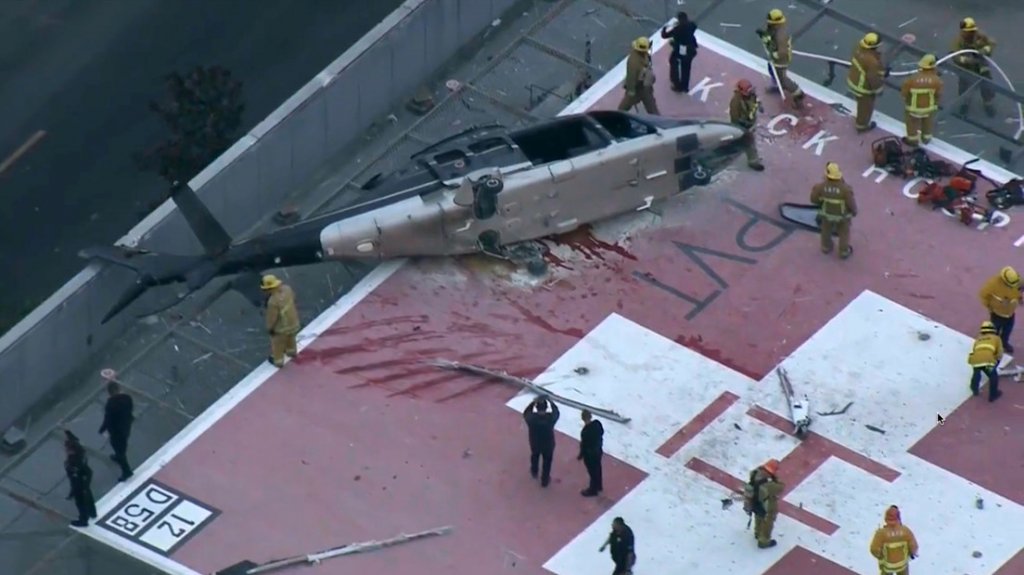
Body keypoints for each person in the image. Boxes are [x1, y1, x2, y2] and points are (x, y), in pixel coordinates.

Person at [809, 162, 858, 259]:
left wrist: (821, 202)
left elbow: (813, 199)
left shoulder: (820, 187)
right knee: (844, 233)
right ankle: (843, 251)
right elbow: (851, 204)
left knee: (826, 230)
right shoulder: (846, 189)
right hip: (842, 217)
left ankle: (826, 247)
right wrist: (854, 212)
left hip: (827, 214)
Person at [759, 9, 805, 109]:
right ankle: (777, 85)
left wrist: (773, 55)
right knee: (772, 71)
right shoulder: (773, 30)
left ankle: (798, 94)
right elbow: (770, 40)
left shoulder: (781, 35)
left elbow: (782, 53)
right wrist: (763, 36)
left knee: (783, 79)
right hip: (774, 60)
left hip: (780, 61)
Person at [952, 17, 997, 118]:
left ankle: (988, 104)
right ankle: (965, 103)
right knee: (964, 87)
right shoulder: (958, 41)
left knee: (986, 85)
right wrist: (967, 60)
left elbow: (992, 42)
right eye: (968, 31)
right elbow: (955, 56)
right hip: (966, 68)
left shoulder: (980, 35)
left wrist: (985, 49)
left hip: (981, 66)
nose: (970, 33)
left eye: (971, 31)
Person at [846, 32, 886, 132]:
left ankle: (861, 123)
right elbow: (873, 78)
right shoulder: (871, 61)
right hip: (863, 88)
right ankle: (862, 126)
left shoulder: (858, 49)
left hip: (853, 80)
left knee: (861, 104)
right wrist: (879, 90)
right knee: (865, 107)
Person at [900, 54, 943, 147]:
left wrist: (907, 100)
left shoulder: (911, 79)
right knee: (927, 123)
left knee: (912, 124)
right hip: (929, 108)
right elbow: (938, 95)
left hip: (913, 108)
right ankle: (926, 139)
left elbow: (904, 93)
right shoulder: (937, 81)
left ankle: (912, 140)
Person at [978, 266, 1021, 353]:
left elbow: (1020, 288)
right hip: (997, 314)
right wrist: (990, 308)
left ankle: (1004, 343)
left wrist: (1019, 299)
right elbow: (983, 295)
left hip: (1010, 313)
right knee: (994, 332)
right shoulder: (993, 284)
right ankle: (993, 346)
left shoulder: (1015, 280)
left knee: (1007, 330)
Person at [743, 458, 783, 549]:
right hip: (767, 504)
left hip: (755, 502)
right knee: (767, 522)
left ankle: (757, 533)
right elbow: (781, 487)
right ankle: (764, 541)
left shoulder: (754, 473)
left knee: (758, 516)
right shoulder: (769, 484)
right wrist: (776, 477)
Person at [262, 274, 301, 367]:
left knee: (277, 345)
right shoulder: (288, 289)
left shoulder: (272, 301)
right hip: (294, 323)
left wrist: (269, 328)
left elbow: (272, 318)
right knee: (291, 339)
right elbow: (294, 298)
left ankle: (278, 361)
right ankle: (292, 351)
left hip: (281, 329)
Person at [98, 381, 135, 481]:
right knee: (122, 446)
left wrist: (102, 429)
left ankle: (126, 471)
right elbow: (130, 410)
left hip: (116, 431)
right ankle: (119, 457)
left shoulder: (110, 404)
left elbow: (108, 419)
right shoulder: (127, 398)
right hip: (126, 427)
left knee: (119, 449)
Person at [869, 505, 918, 575]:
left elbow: (874, 549)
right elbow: (914, 546)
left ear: (886, 518)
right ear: (898, 517)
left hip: (887, 566)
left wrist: (880, 557)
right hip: (902, 564)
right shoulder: (906, 531)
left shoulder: (881, 533)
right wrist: (912, 554)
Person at [522, 395, 560, 487]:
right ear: (546, 408)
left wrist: (533, 402)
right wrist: (551, 401)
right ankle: (545, 480)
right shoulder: (550, 418)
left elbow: (526, 413)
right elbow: (556, 413)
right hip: (548, 445)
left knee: (535, 456)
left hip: (535, 443)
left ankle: (534, 471)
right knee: (547, 462)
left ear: (537, 408)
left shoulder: (532, 419)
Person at [729, 79, 765, 172]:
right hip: (743, 125)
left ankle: (732, 145)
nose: (750, 92)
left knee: (740, 140)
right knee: (750, 144)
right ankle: (753, 162)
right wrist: (742, 127)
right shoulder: (736, 102)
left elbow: (756, 101)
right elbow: (734, 117)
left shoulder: (752, 95)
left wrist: (760, 106)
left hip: (750, 123)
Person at [617, 37, 660, 114]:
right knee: (624, 107)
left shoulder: (643, 55)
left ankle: (618, 116)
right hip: (638, 88)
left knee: (651, 106)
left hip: (644, 86)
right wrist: (631, 91)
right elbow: (631, 77)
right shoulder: (633, 62)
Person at [64, 431, 97, 528]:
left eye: (67, 449)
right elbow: (75, 439)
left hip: (80, 482)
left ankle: (83, 520)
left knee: (81, 502)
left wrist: (73, 492)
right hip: (85, 478)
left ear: (72, 450)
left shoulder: (73, 462)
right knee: (89, 495)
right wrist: (67, 432)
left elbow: (75, 480)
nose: (65, 450)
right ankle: (92, 512)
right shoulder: (81, 451)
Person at [660, 11, 698, 93]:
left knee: (673, 62)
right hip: (691, 49)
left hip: (681, 50)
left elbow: (664, 35)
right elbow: (694, 26)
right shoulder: (691, 25)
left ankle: (677, 84)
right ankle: (685, 86)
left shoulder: (677, 29)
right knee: (686, 68)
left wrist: (664, 28)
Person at [968, 321, 1003, 402]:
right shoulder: (996, 338)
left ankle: (974, 389)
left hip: (975, 359)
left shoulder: (978, 339)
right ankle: (993, 395)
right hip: (988, 359)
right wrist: (996, 361)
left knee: (976, 373)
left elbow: (974, 350)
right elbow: (1000, 352)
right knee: (993, 376)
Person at [577, 409, 604, 497]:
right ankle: (599, 486)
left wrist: (581, 455)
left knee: (592, 472)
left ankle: (593, 490)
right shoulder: (597, 424)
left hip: (589, 455)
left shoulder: (585, 432)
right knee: (598, 469)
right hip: (598, 451)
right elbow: (601, 433)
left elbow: (584, 445)